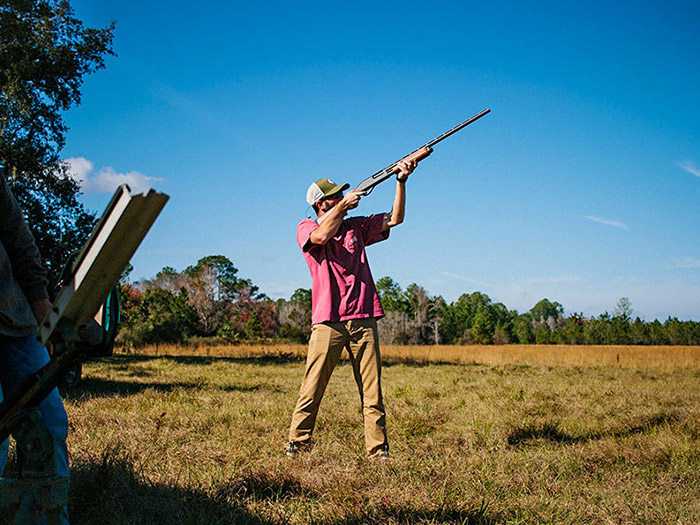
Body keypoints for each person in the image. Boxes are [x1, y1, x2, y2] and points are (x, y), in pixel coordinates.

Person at [286, 159, 417, 460]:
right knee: (313, 387)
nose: (342, 196)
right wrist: (343, 207)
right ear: (321, 204)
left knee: (372, 392)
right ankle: (298, 444)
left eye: (342, 194)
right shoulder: (306, 227)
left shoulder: (355, 226)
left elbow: (395, 219)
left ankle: (378, 451)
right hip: (328, 321)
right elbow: (319, 238)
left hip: (364, 317)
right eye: (335, 196)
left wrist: (401, 181)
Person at [0, 166, 70, 523]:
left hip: (15, 321)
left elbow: (19, 239)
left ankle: (51, 518)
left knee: (49, 425)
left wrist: (44, 307)